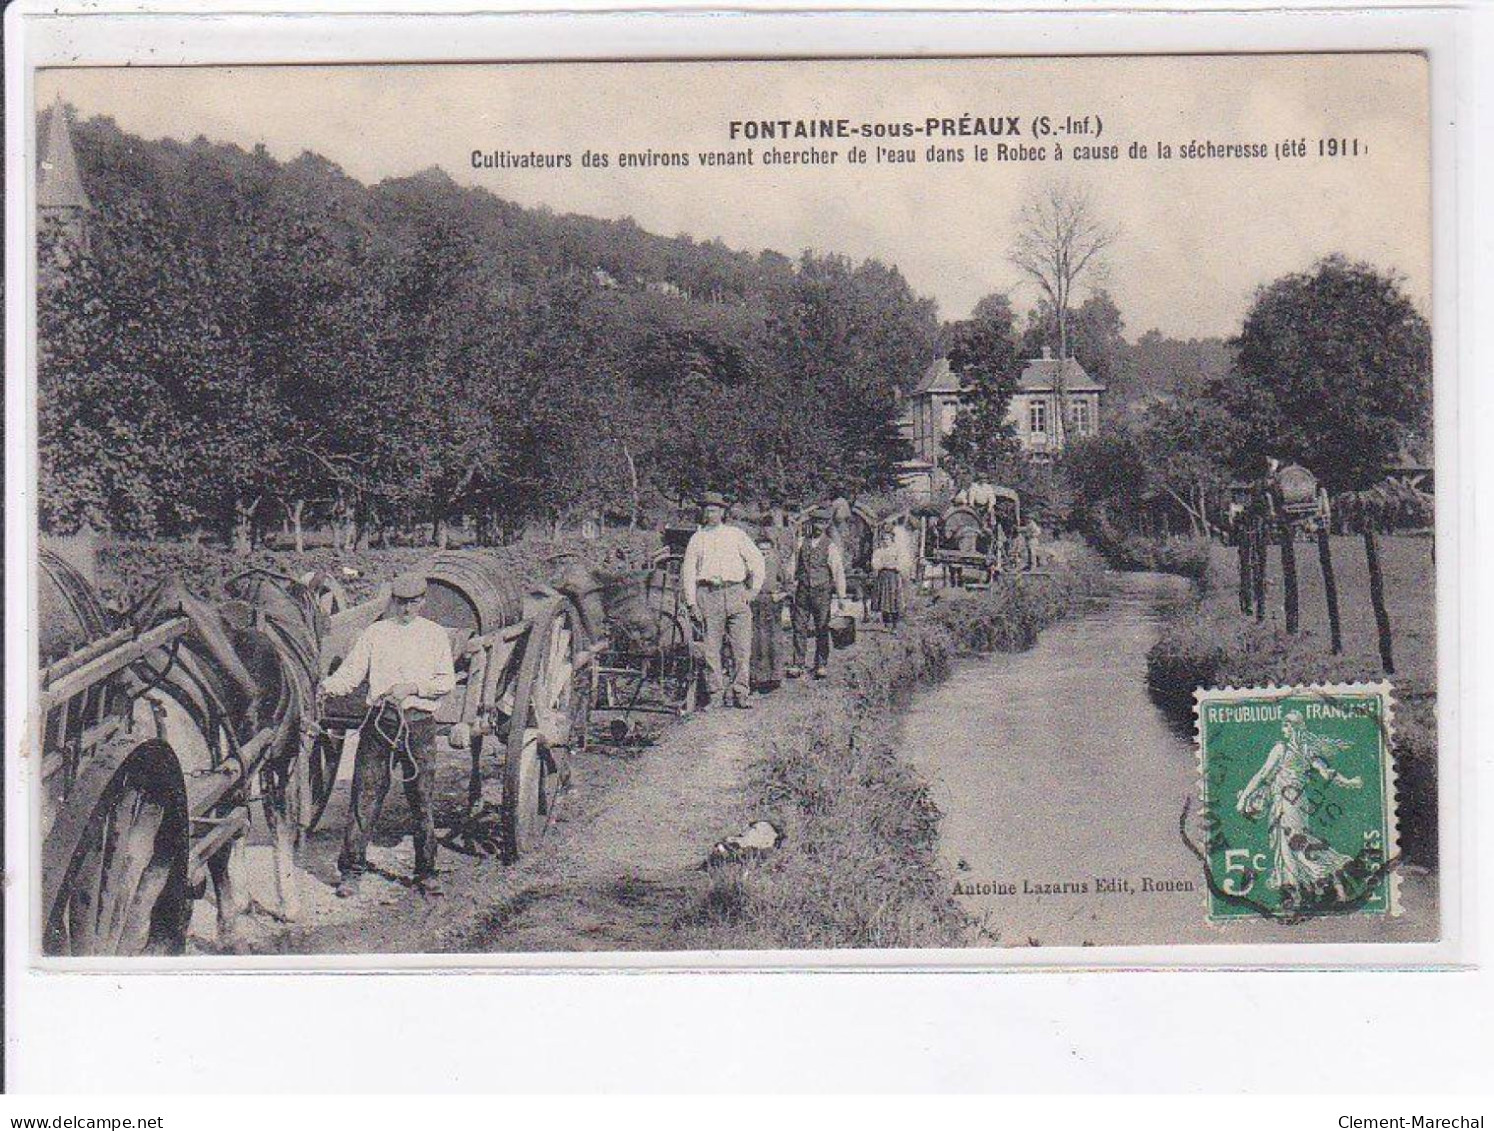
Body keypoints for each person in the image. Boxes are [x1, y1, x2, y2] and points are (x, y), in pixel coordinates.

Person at [321, 571, 456, 899]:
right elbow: (350, 675)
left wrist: (413, 687)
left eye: (413, 603)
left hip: (419, 724)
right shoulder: (375, 633)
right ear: (393, 601)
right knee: (364, 797)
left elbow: (446, 682)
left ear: (422, 602)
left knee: (421, 799)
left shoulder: (435, 635)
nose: (407, 609)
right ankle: (351, 872)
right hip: (379, 722)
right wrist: (323, 688)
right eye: (401, 602)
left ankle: (426, 872)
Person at [1236, 710, 1363, 904]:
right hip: (1296, 803)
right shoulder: (1306, 751)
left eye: (1286, 726)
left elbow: (1262, 774)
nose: (1283, 729)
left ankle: (1301, 889)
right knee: (1293, 843)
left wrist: (1244, 797)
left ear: (1295, 728)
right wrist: (1348, 782)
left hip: (1287, 804)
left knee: (1291, 844)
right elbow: (1327, 773)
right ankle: (1331, 885)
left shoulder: (1281, 748)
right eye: (1283, 725)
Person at [681, 491, 765, 709]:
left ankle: (740, 691)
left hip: (736, 592)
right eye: (708, 509)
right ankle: (716, 694)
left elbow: (757, 560)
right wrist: (692, 603)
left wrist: (753, 590)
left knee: (742, 647)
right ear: (703, 512)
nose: (711, 513)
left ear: (723, 511)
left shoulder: (735, 534)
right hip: (708, 595)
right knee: (711, 648)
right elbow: (688, 573)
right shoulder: (697, 538)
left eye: (715, 509)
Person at [787, 506, 847, 679]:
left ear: (827, 524)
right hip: (803, 590)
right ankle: (798, 663)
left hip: (822, 591)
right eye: (816, 522)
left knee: (822, 627)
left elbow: (838, 571)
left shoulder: (830, 546)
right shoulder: (801, 543)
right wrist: (790, 582)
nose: (819, 526)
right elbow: (793, 565)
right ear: (811, 523)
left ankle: (821, 663)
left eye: (823, 522)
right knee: (799, 627)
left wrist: (841, 596)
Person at [749, 532, 786, 693]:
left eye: (767, 551)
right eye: (760, 551)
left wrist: (780, 595)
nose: (764, 555)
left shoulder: (776, 563)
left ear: (772, 551)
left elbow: (788, 583)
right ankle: (757, 678)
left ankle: (774, 677)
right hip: (755, 603)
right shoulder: (750, 564)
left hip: (772, 603)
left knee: (773, 639)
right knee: (756, 641)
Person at [870, 523, 908, 631]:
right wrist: (884, 565)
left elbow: (901, 563)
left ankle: (895, 625)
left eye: (887, 539)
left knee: (894, 600)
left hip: (894, 577)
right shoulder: (879, 551)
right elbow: (875, 563)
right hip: (883, 577)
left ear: (892, 539)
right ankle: (886, 624)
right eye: (884, 539)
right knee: (884, 601)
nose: (885, 541)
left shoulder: (897, 550)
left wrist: (894, 565)